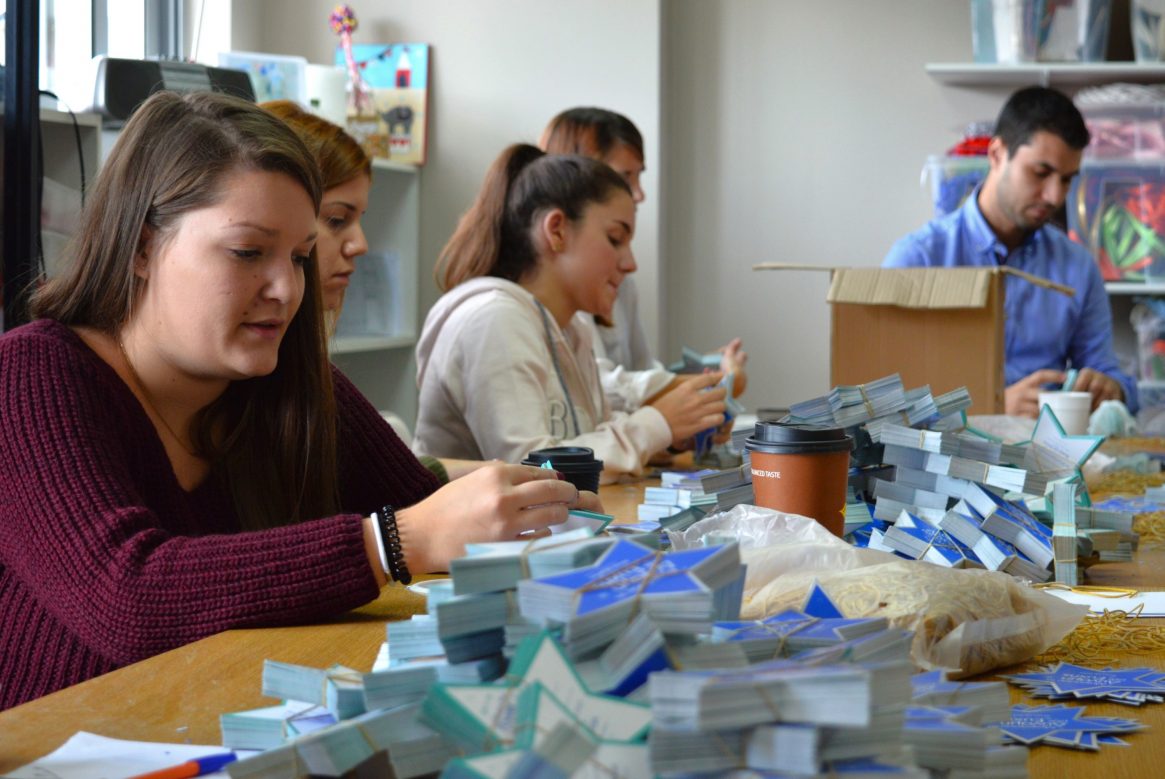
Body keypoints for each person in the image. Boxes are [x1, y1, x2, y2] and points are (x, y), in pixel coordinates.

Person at [0, 91, 594, 711]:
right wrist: (389, 544)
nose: (286, 288)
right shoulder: (30, 373)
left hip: (218, 718)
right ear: (142, 247)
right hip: (61, 737)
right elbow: (127, 597)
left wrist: (539, 524)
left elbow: (427, 511)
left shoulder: (292, 380)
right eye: (248, 252)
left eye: (301, 256)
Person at [413, 144, 727, 478]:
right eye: (615, 238)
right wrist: (655, 425)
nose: (630, 263)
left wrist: (671, 436)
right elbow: (532, 470)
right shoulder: (494, 320)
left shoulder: (570, 329)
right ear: (557, 230)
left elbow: (583, 442)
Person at [260, 100, 482, 484]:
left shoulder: (311, 377)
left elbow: (393, 481)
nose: (360, 245)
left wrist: (496, 475)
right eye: (336, 219)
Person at [884, 86, 1138, 418]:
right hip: (946, 449)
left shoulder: (1077, 267)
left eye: (1066, 180)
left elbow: (1108, 371)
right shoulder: (918, 260)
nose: (1054, 196)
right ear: (996, 154)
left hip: (1046, 445)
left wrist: (1111, 389)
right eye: (1040, 173)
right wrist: (991, 405)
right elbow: (885, 403)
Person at [539, 107, 748, 413]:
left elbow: (640, 371)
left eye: (639, 176)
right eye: (625, 176)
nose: (638, 194)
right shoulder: (539, 302)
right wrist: (716, 382)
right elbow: (599, 387)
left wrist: (702, 379)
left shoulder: (621, 283)